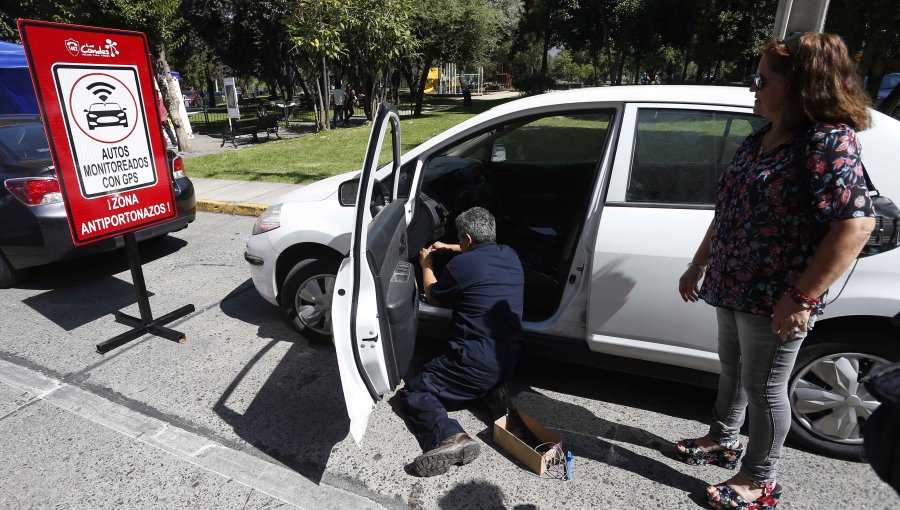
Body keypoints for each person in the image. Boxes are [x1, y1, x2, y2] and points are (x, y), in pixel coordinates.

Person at [675, 32, 875, 510]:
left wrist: (801, 298)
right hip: (734, 281)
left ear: (798, 85)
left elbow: (855, 226)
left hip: (777, 295)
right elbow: (728, 211)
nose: (753, 88)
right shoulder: (759, 138)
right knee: (734, 371)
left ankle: (760, 479)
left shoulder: (827, 141)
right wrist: (698, 264)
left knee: (765, 389)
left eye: (761, 79)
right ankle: (723, 439)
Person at [400, 207, 524, 477]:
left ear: (467, 239)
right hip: (506, 362)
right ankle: (487, 394)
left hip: (473, 365)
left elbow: (433, 296)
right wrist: (449, 246)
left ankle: (450, 436)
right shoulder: (509, 254)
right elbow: (476, 253)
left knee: (414, 390)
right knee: (443, 370)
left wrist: (426, 264)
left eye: (460, 238)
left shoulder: (460, 267)